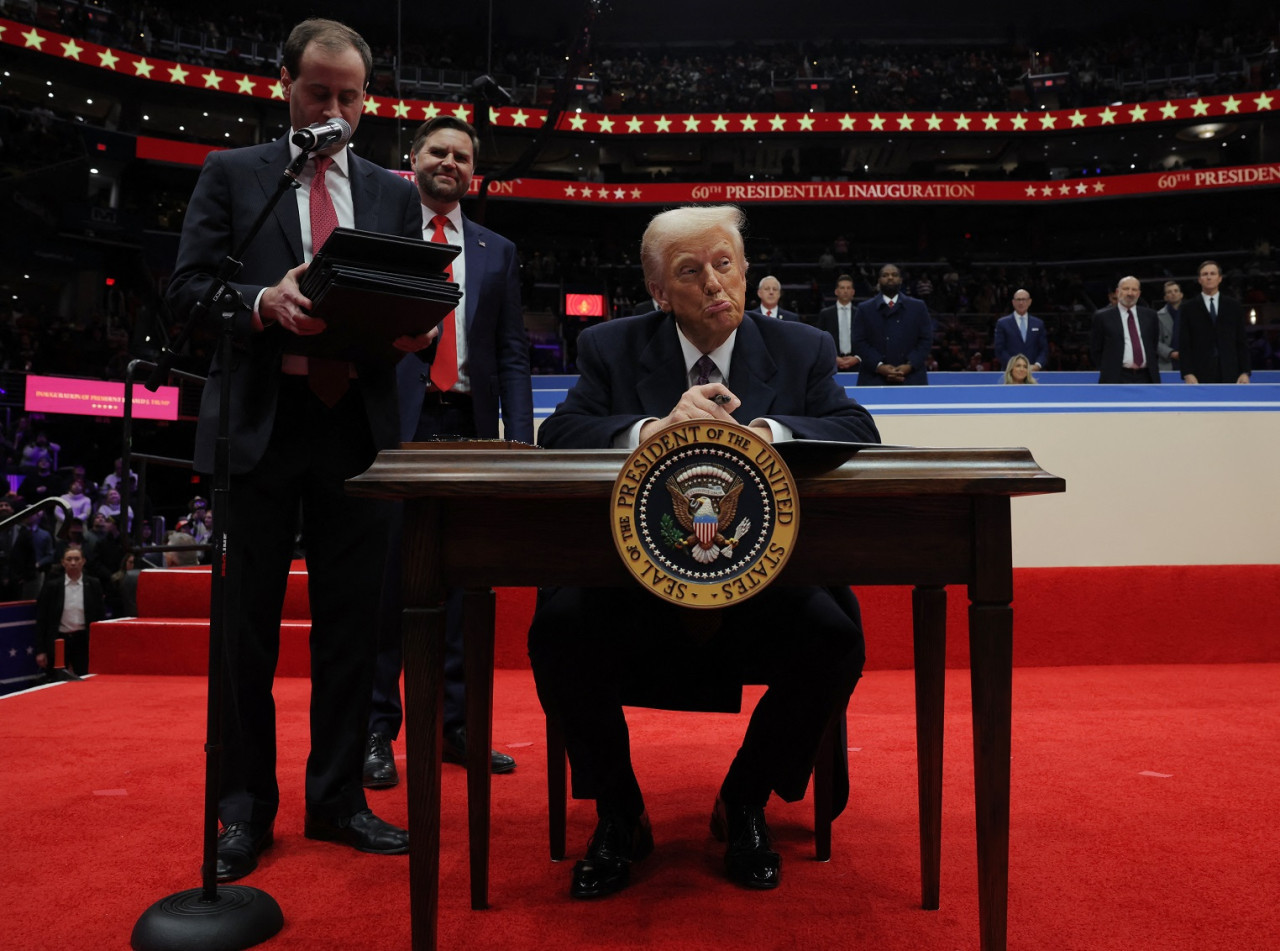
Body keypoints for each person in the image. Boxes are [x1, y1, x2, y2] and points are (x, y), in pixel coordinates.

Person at [528, 205, 880, 898]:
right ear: (660, 292)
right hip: (637, 580)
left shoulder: (801, 348)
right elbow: (561, 431)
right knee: (559, 629)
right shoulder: (611, 346)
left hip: (763, 578)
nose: (715, 283)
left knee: (836, 638)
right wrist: (653, 426)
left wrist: (766, 431)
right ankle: (620, 813)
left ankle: (745, 799)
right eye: (691, 272)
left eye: (726, 264)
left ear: (747, 272)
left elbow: (855, 426)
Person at [166, 17, 429, 883]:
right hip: (260, 429)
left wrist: (410, 325)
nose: (337, 110)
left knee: (353, 628)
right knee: (244, 635)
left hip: (356, 424)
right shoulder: (236, 174)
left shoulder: (393, 193)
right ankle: (240, 810)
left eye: (351, 97)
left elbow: (409, 290)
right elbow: (187, 291)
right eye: (320, 93)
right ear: (285, 86)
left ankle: (338, 799)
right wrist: (257, 300)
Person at [364, 115, 534, 789]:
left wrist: (518, 439)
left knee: (465, 583)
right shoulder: (382, 234)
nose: (450, 163)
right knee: (385, 583)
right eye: (438, 151)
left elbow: (512, 351)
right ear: (413, 158)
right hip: (392, 427)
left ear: (473, 170)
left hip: (469, 425)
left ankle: (457, 726)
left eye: (462, 156)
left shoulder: (497, 248)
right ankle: (377, 727)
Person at [852, 264, 934, 385]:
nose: (890, 278)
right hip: (873, 379)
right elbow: (858, 341)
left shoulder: (918, 307)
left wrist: (909, 365)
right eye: (885, 275)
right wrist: (879, 366)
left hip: (912, 378)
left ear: (901, 279)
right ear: (879, 280)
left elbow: (926, 340)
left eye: (894, 275)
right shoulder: (864, 309)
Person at [35, 545, 105, 681]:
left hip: (83, 640)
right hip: (59, 641)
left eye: (76, 559)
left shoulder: (93, 584)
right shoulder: (52, 586)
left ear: (83, 561)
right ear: (63, 562)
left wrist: (99, 647)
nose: (73, 563)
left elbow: (100, 617)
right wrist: (41, 651)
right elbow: (42, 620)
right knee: (55, 681)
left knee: (85, 680)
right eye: (69, 559)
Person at [1178, 260, 1251, 384]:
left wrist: (1245, 372)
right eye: (1205, 274)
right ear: (1199, 279)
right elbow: (1184, 343)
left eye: (1212, 274)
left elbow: (1241, 341)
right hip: (1199, 373)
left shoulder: (1234, 306)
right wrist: (1187, 373)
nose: (1209, 277)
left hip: (1230, 371)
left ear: (1220, 278)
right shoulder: (1187, 308)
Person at [1090, 276, 1160, 383]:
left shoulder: (1151, 315)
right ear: (1118, 292)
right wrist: (1109, 370)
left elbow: (1153, 345)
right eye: (1126, 289)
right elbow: (1096, 349)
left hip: (1147, 376)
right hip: (1115, 377)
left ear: (1139, 293)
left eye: (1134, 289)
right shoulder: (1102, 317)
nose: (1130, 293)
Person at [815, 274, 861, 372]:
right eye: (842, 288)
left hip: (856, 365)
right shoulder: (826, 314)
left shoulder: (860, 313)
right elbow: (819, 340)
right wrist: (833, 358)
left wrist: (857, 358)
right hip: (831, 365)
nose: (845, 291)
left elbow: (866, 338)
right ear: (836, 291)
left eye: (848, 288)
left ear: (853, 292)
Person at [993, 288, 1047, 371]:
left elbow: (1044, 349)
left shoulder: (1038, 324)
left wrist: (1037, 365)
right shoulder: (1002, 323)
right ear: (1013, 302)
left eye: (1024, 299)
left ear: (1029, 302)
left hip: (1033, 373)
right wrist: (1014, 366)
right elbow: (999, 349)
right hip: (1009, 373)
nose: (1021, 302)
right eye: (1018, 299)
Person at [1156, 280, 1182, 373]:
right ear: (1165, 297)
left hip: (1190, 361)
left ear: (1181, 294)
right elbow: (1155, 341)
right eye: (1169, 292)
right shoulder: (1158, 316)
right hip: (1167, 363)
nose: (1173, 294)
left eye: (1176, 291)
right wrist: (1171, 353)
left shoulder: (1192, 314)